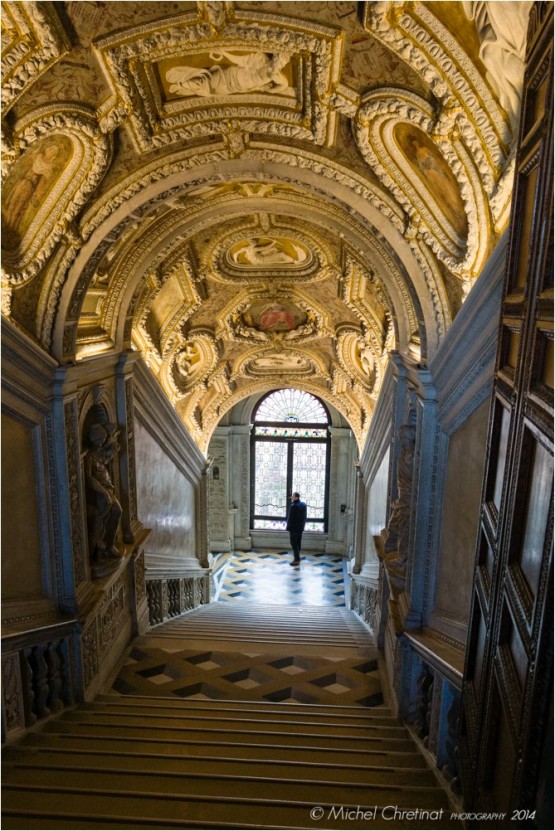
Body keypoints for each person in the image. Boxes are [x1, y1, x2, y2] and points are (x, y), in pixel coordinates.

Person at [286, 492, 307, 566]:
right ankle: (297, 556)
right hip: (300, 528)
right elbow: (304, 517)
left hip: (294, 528)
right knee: (298, 543)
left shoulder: (293, 506)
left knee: (293, 543)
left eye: (293, 496)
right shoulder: (303, 504)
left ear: (296, 497)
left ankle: (297, 559)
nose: (291, 497)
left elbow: (291, 519)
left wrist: (288, 528)